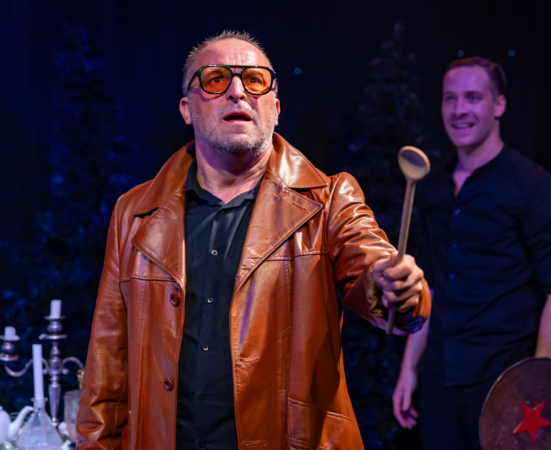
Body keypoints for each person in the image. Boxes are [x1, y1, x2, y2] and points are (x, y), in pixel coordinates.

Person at [76, 30, 430, 450]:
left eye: (255, 80)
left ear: (275, 109)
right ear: (187, 109)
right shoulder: (134, 213)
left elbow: (376, 273)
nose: (238, 91)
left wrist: (394, 284)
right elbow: (107, 366)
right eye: (216, 79)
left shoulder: (329, 201)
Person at [391, 56, 551, 450]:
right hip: (440, 376)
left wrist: (538, 383)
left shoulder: (533, 186)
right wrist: (409, 368)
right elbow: (430, 287)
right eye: (450, 98)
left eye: (473, 98)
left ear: (499, 105)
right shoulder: (434, 187)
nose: (459, 110)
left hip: (504, 378)